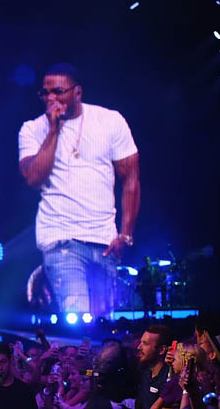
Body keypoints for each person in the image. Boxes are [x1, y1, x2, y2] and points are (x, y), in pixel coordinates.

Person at [18, 63, 140, 316]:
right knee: (78, 316)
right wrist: (53, 130)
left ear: (77, 92)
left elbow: (130, 179)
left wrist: (125, 235)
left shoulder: (109, 121)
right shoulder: (32, 129)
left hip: (105, 241)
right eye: (45, 93)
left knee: (105, 322)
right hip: (61, 241)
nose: (51, 98)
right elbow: (33, 178)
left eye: (58, 92)